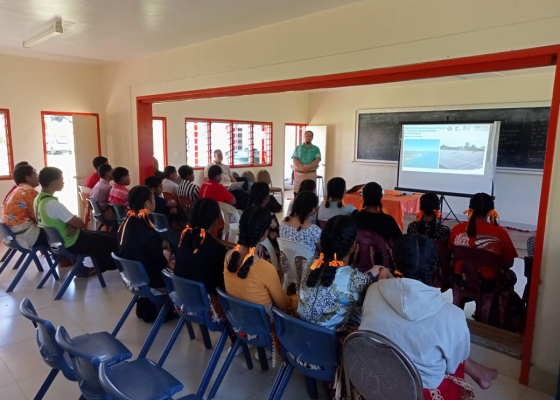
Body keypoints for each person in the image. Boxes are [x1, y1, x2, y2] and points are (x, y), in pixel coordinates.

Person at [360, 233, 498, 399]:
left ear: (395, 262)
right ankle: (481, 373)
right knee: (448, 353)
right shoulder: (453, 316)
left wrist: (384, 280)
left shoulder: (373, 291)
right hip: (419, 392)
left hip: (375, 380)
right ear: (435, 268)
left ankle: (481, 373)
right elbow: (453, 365)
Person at [224, 206, 293, 364]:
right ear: (264, 234)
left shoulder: (228, 256)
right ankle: (271, 347)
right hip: (263, 328)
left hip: (238, 321)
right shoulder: (264, 268)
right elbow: (284, 305)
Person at [298, 215, 376, 331]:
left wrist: (369, 275)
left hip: (298, 334)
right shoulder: (356, 280)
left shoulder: (310, 263)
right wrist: (379, 277)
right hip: (328, 342)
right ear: (353, 246)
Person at [34, 167, 118, 273]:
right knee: (112, 240)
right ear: (53, 184)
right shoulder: (53, 204)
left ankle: (91, 269)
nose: (63, 182)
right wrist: (72, 223)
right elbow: (81, 224)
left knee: (106, 236)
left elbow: (62, 221)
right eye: (61, 179)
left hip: (60, 242)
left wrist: (70, 223)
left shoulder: (38, 199)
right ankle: (111, 268)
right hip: (72, 242)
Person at [449, 192, 517, 282]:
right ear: (491, 211)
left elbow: (451, 252)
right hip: (488, 284)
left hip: (461, 281)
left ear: (470, 209)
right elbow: (509, 263)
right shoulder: (501, 233)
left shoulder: (457, 229)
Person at [117, 185, 172, 289]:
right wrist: (166, 254)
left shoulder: (125, 223)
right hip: (151, 281)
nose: (155, 202)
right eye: (153, 199)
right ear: (148, 203)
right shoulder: (149, 232)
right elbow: (161, 264)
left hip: (132, 278)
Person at [174, 198, 227, 294]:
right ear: (216, 220)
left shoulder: (183, 238)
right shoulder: (218, 249)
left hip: (180, 296)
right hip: (205, 300)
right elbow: (222, 281)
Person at [1, 165, 47, 249]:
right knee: (56, 233)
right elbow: (39, 217)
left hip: (9, 237)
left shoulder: (16, 191)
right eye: (35, 174)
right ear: (28, 178)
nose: (38, 177)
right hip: (23, 237)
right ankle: (64, 256)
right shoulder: (29, 192)